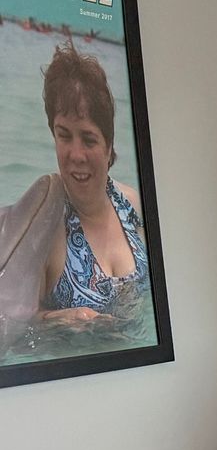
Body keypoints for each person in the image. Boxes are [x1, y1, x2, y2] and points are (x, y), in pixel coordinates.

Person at [37, 40, 148, 326]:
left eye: (88, 139)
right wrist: (56, 319)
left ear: (109, 146)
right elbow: (13, 323)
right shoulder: (45, 230)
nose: (76, 155)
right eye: (64, 135)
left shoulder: (132, 206)